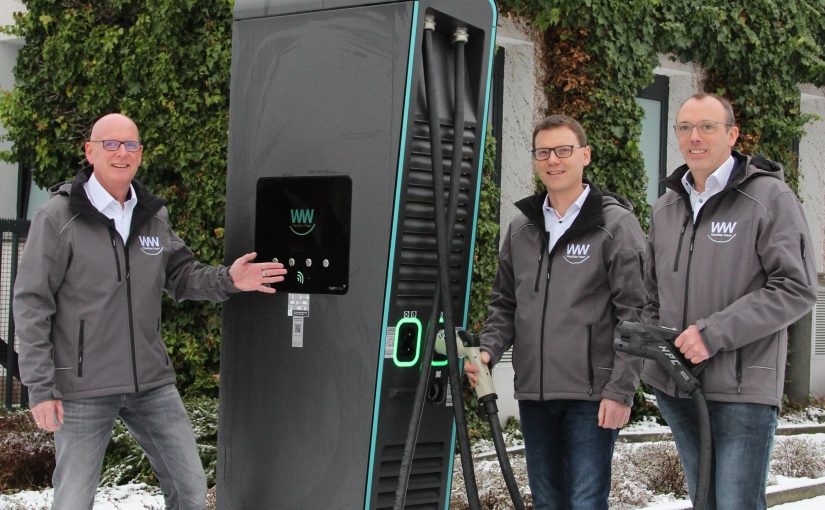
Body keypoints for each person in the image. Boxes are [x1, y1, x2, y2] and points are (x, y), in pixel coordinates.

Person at [13, 113, 288, 510]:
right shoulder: (58, 218)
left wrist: (230, 278)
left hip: (150, 383)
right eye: (111, 144)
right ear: (90, 152)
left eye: (131, 145)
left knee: (191, 489)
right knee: (73, 500)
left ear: (140, 154)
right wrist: (41, 388)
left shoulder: (151, 216)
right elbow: (31, 301)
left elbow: (182, 275)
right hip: (82, 387)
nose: (121, 153)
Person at [642, 93, 817, 509]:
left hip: (742, 387)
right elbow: (650, 293)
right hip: (678, 386)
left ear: (732, 134)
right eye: (684, 128)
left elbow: (796, 287)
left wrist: (712, 333)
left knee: (735, 503)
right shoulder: (666, 207)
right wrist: (654, 354)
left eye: (707, 127)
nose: (694, 138)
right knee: (704, 502)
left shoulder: (768, 198)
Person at [465, 114, 646, 509]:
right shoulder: (520, 229)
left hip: (592, 396)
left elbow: (637, 315)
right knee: (547, 501)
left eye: (564, 150)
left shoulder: (615, 225)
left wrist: (621, 390)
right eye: (543, 152)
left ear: (585, 155)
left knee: (584, 501)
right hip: (536, 393)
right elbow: (505, 304)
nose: (553, 160)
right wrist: (489, 350)